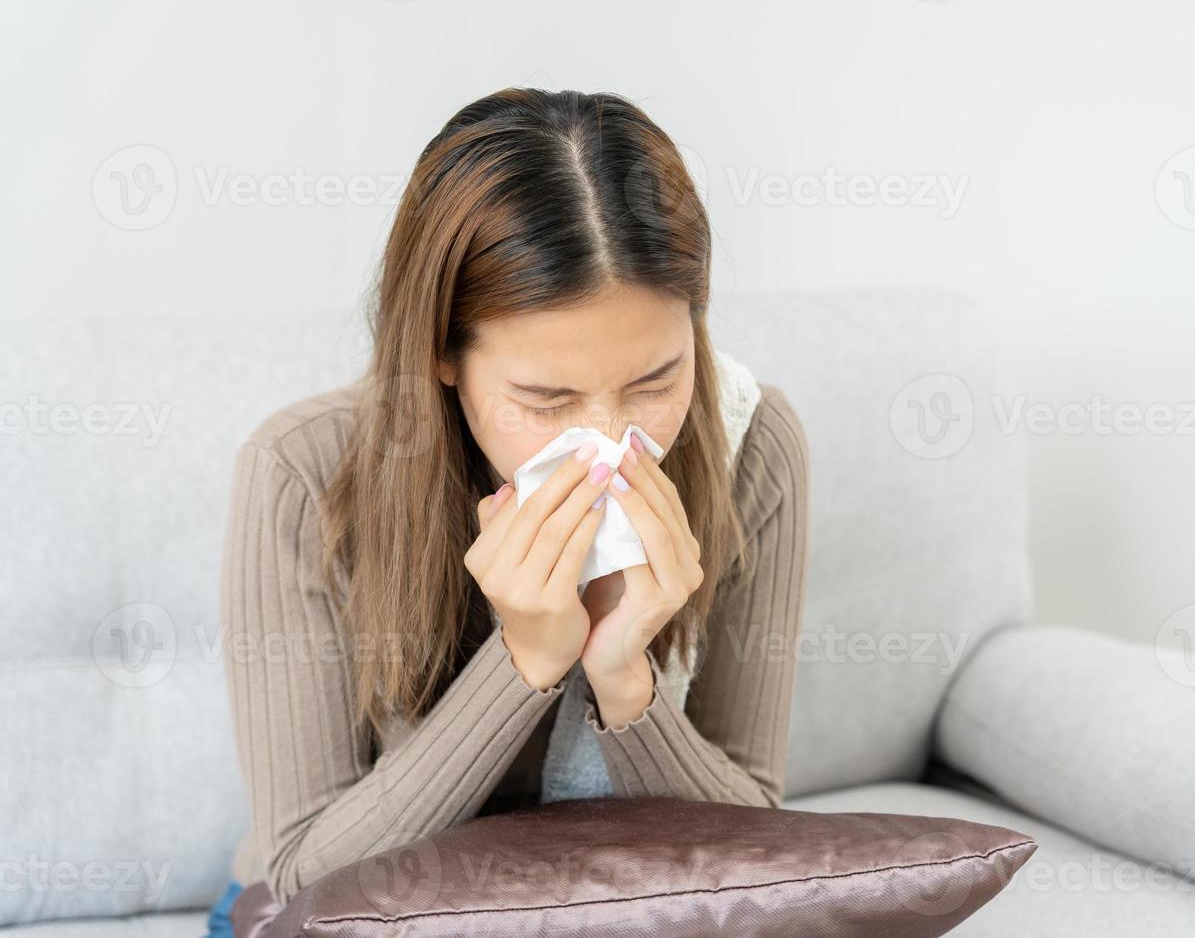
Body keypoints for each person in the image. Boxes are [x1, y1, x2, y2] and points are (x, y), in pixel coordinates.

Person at [203, 88, 810, 935]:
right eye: (545, 397)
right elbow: (309, 874)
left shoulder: (751, 445)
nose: (606, 441)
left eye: (655, 381)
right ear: (442, 352)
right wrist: (524, 660)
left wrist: (625, 678)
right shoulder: (302, 471)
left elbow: (756, 847)